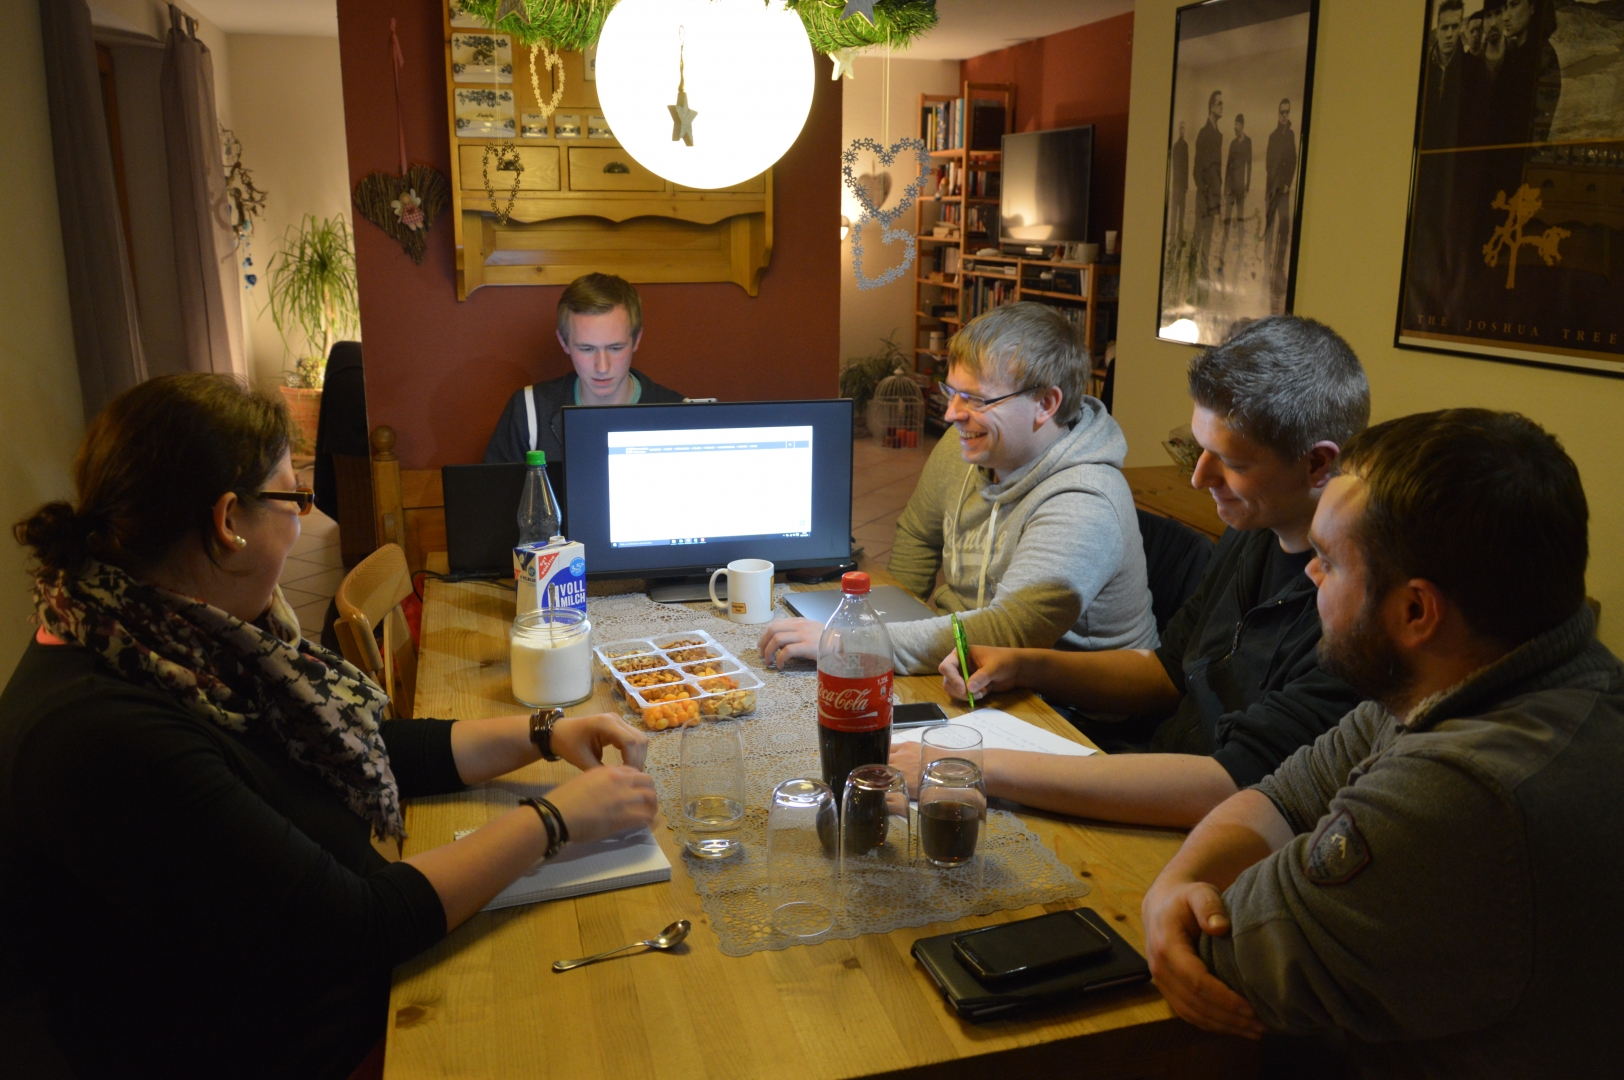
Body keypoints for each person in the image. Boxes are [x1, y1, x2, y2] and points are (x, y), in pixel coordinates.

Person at [0, 374, 659, 1079]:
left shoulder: (163, 638)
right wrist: (553, 821)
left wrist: (543, 733)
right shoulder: (106, 735)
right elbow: (358, 929)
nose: (302, 524)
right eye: (295, 499)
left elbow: (357, 743)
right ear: (229, 521)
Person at [1142, 409, 1622, 1078]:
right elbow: (1282, 796)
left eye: (1329, 562)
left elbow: (1221, 953)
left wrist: (1172, 901)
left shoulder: (1463, 793)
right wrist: (1175, 883)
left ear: (1416, 611)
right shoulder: (1492, 670)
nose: (1310, 576)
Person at [921, 316, 1368, 828]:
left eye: (1232, 462)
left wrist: (974, 766)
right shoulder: (1255, 526)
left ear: (1317, 465)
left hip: (1210, 820)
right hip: (1155, 769)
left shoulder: (1354, 607)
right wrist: (1024, 666)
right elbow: (1169, 672)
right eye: (1200, 449)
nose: (1200, 477)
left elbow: (1236, 783)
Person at [758, 302, 1156, 675]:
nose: (952, 414)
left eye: (976, 399)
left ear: (1046, 403)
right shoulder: (967, 446)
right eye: (951, 392)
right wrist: (877, 619)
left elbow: (1009, 631)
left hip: (1066, 705)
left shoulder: (1084, 500)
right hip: (972, 665)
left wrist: (856, 641)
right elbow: (919, 533)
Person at [484, 272, 685, 464]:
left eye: (615, 348)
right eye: (587, 349)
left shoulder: (681, 413)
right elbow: (497, 489)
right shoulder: (529, 410)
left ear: (636, 339)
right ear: (564, 342)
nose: (602, 367)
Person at [1263, 99, 1298, 313]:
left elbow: (1293, 160)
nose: (1284, 116)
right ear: (1278, 114)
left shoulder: (1291, 136)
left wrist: (1287, 184)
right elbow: (1269, 164)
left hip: (1283, 190)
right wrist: (1272, 187)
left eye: (1287, 112)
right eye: (1281, 112)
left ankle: (1279, 269)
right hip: (1272, 189)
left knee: (1284, 226)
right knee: (1269, 230)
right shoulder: (1272, 137)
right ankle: (1267, 271)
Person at [1193, 91, 1225, 296]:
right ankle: (1192, 275)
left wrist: (1216, 197)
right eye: (1219, 103)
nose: (1222, 107)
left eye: (1222, 104)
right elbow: (1197, 169)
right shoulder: (1204, 134)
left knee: (1207, 240)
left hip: (1213, 196)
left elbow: (1216, 171)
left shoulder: (1218, 135)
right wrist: (1204, 191)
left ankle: (1203, 278)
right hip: (1204, 196)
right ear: (1211, 107)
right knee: (1198, 236)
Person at [1421, 0, 1464, 150]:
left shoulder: (1472, 68)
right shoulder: (1424, 71)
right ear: (1437, 30)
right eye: (1445, 27)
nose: (1449, 34)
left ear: (1461, 28)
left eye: (1455, 26)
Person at [1221, 113, 1252, 275]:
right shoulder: (1232, 143)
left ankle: (1240, 247)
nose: (1234, 127)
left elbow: (1250, 164)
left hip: (1241, 188)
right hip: (1231, 188)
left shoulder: (1248, 142)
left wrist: (1247, 186)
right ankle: (1223, 248)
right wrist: (1225, 188)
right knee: (1227, 217)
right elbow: (1227, 166)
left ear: (1242, 125)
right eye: (1234, 124)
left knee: (1240, 218)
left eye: (1236, 124)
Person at [1169, 121, 1190, 244]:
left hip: (1182, 187)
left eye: (1184, 128)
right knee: (1174, 213)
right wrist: (1175, 185)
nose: (1182, 130)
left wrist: (1186, 185)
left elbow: (1186, 166)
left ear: (1185, 131)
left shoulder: (1186, 146)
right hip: (1176, 186)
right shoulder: (1176, 146)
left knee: (1181, 214)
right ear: (1178, 130)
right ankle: (1172, 238)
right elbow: (1175, 167)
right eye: (1181, 128)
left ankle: (1180, 237)